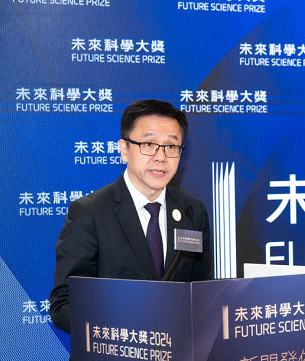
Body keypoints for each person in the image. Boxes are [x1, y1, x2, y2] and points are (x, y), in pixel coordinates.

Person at [49, 98, 211, 337]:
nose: (161, 156)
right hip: (116, 354)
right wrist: (127, 330)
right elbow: (64, 304)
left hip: (177, 355)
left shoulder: (192, 211)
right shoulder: (90, 212)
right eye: (149, 144)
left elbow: (202, 292)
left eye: (171, 146)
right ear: (124, 149)